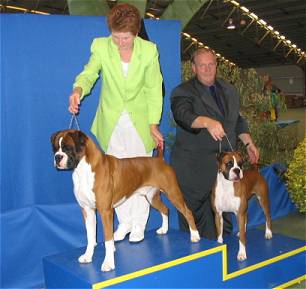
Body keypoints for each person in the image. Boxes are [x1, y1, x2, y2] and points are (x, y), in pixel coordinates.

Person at [68, 3, 164, 243]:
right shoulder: (101, 46)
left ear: (136, 32)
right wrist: (78, 90)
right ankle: (124, 223)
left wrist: (153, 124)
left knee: (141, 175)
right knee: (115, 177)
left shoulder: (149, 51)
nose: (120, 42)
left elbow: (154, 90)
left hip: (140, 122)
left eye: (126, 37)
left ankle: (139, 225)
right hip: (110, 121)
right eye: (116, 36)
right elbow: (89, 73)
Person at [170, 48, 259, 240]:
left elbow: (237, 120)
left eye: (211, 64)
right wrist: (206, 121)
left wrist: (248, 142)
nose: (207, 69)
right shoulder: (182, 91)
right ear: (193, 68)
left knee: (223, 227)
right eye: (202, 65)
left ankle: (224, 262)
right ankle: (196, 265)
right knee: (197, 230)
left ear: (216, 65)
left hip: (223, 170)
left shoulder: (229, 89)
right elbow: (183, 115)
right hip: (194, 170)